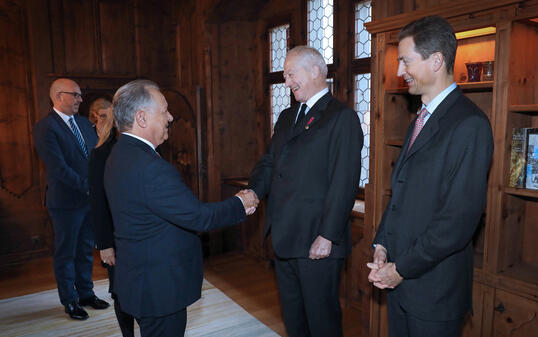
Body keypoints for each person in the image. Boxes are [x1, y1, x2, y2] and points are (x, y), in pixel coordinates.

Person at [367, 16, 494, 337]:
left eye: (405, 61)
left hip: (434, 292)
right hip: (399, 283)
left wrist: (401, 269)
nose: (399, 71)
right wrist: (383, 244)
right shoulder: (420, 119)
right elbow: (403, 197)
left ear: (436, 60)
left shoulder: (469, 124)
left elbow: (458, 220)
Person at [104, 79, 259, 337]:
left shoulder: (120, 153)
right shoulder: (149, 166)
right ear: (141, 118)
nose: (171, 117)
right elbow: (198, 217)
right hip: (158, 288)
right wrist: (240, 204)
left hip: (140, 278)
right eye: (164, 110)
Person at [248, 46, 363, 337]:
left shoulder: (341, 118)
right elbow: (270, 162)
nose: (286, 82)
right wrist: (251, 193)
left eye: (290, 74)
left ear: (314, 71)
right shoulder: (287, 116)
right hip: (285, 237)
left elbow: (344, 182)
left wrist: (327, 235)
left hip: (317, 241)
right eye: (285, 76)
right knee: (294, 320)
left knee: (322, 322)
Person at [33, 78, 109, 320]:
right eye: (74, 95)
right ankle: (70, 300)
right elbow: (58, 168)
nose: (80, 99)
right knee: (66, 252)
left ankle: (86, 294)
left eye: (79, 95)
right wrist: (89, 188)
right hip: (66, 202)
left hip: (89, 200)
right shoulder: (45, 127)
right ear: (58, 96)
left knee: (86, 249)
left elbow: (94, 157)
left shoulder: (84, 124)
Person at [88, 103, 135, 336]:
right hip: (115, 237)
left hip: (140, 234)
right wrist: (104, 245)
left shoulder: (138, 148)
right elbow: (98, 203)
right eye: (99, 118)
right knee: (120, 291)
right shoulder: (101, 153)